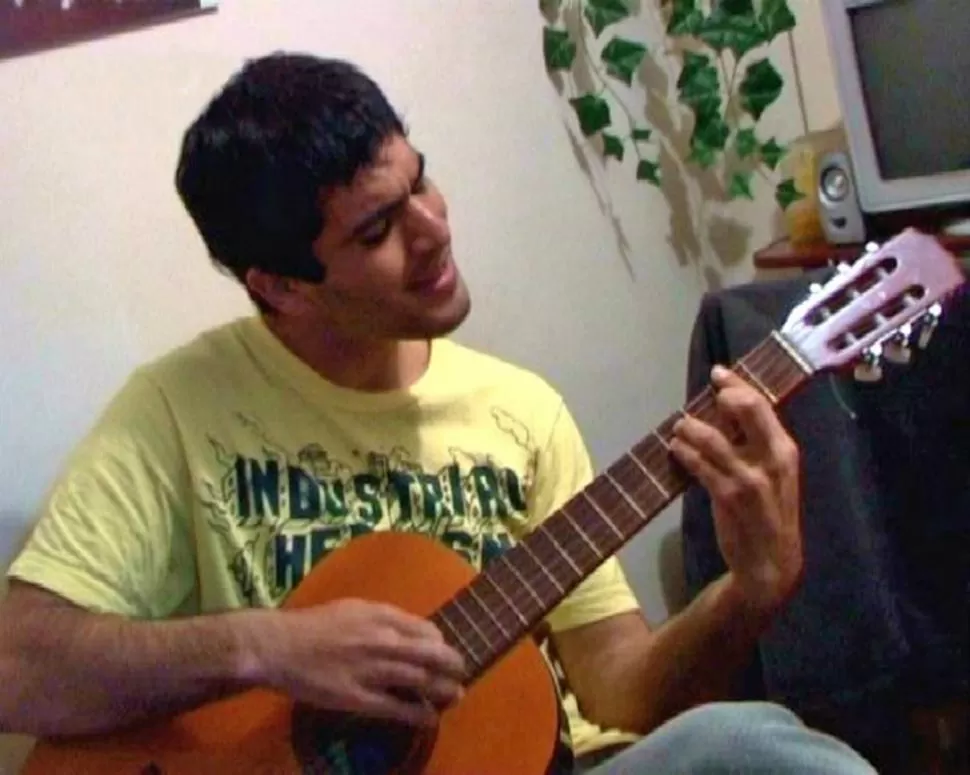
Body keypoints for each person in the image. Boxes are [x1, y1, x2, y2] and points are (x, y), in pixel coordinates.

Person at [0, 53, 876, 774]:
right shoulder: (178, 409)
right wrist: (267, 647)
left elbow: (623, 695)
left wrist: (751, 592)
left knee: (760, 748)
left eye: (422, 182)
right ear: (277, 286)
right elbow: (16, 663)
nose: (433, 229)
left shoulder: (519, 411)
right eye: (378, 229)